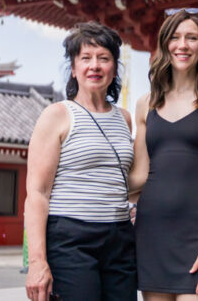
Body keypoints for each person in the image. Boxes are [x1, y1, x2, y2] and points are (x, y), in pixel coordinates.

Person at [130, 8, 198, 300]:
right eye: (175, 37)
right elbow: (140, 175)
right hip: (152, 232)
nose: (183, 45)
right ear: (165, 44)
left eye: (192, 38)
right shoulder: (147, 103)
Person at [24, 22, 137, 301]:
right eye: (85, 58)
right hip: (71, 239)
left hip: (120, 237)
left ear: (114, 67)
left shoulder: (124, 118)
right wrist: (37, 262)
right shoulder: (57, 115)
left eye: (104, 58)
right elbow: (37, 193)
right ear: (74, 69)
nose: (94, 66)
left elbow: (126, 181)